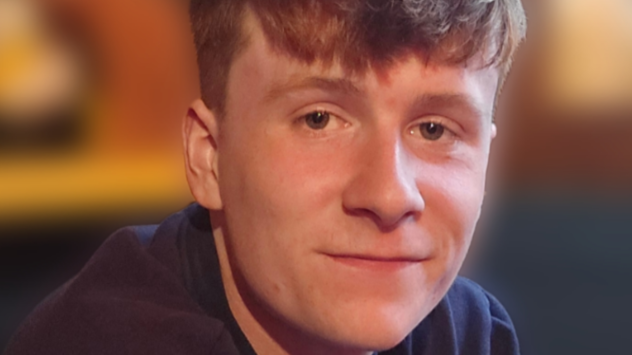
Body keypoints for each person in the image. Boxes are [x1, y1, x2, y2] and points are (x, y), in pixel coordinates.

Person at [5, 0, 527, 354]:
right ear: (208, 157)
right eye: (318, 119)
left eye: (434, 129)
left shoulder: (469, 334)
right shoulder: (97, 341)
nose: (390, 195)